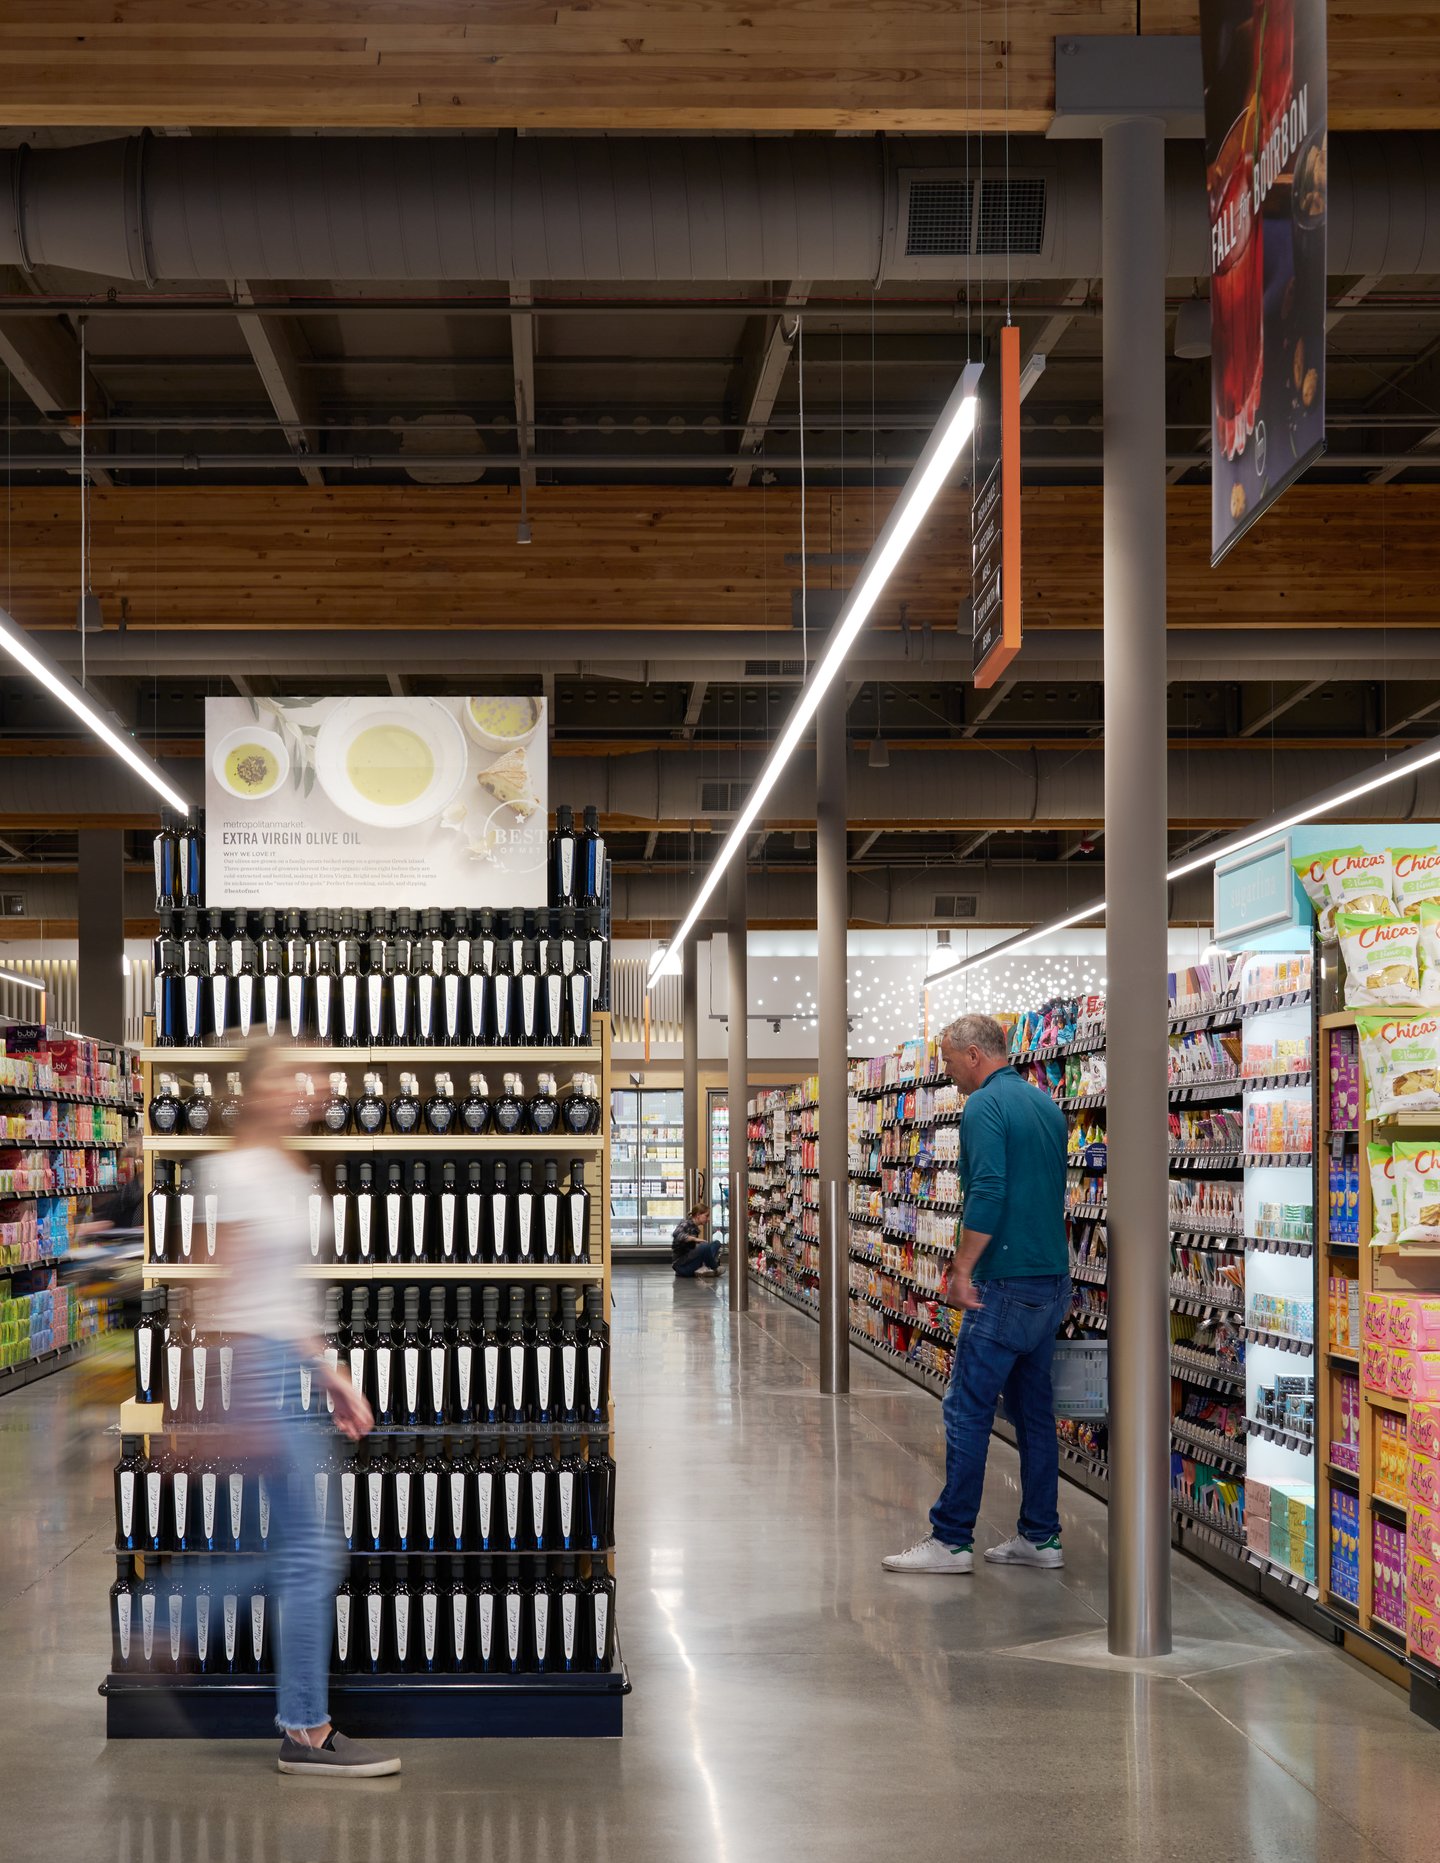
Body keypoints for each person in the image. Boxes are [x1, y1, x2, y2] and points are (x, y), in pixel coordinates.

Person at [205, 1044, 401, 1777]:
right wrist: (250, 1399)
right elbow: (232, 1287)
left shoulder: (289, 1168)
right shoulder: (240, 1170)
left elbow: (289, 1291)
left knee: (304, 1554)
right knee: (312, 1554)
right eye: (292, 1075)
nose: (308, 1086)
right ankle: (303, 1726)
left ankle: (303, 1723)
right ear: (257, 1089)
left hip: (289, 1366)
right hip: (260, 1368)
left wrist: (331, 1372)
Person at [883, 1012, 1071, 1577]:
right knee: (1035, 1414)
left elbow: (988, 1188)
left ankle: (952, 1539)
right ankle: (1041, 1535)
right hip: (1051, 1280)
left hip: (1005, 1283)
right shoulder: (1045, 1105)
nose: (946, 1072)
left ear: (973, 1055)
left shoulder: (984, 1107)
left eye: (947, 1060)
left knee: (966, 1408)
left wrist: (963, 1268)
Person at [671, 1201, 722, 1277]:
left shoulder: (695, 1228)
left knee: (716, 1243)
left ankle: (704, 1267)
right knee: (704, 1246)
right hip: (682, 1267)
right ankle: (715, 1268)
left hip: (691, 1261)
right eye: (706, 1216)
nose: (708, 1219)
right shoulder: (685, 1223)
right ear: (698, 1215)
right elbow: (676, 1234)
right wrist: (694, 1239)